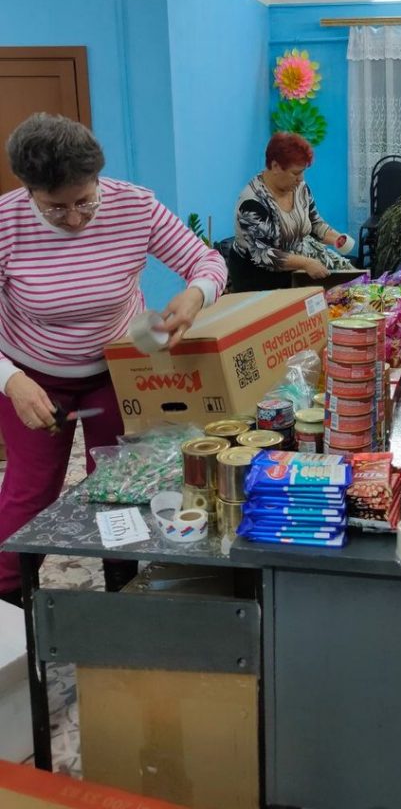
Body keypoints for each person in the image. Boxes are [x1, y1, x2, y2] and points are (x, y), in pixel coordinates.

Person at [0, 113, 227, 606]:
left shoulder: (134, 205)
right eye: (56, 208)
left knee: (121, 481)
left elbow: (207, 260)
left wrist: (195, 295)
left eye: (85, 200)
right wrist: (11, 380)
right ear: (29, 191)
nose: (75, 219)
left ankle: (122, 584)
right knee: (31, 488)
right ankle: (9, 597)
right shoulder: (5, 224)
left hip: (116, 369)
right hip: (30, 373)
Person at [228, 132, 353, 291]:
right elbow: (264, 254)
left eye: (303, 172)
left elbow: (314, 223)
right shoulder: (252, 202)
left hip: (293, 265)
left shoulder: (300, 188)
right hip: (257, 277)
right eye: (296, 173)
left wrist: (337, 239)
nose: (301, 179)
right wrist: (305, 263)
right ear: (275, 166)